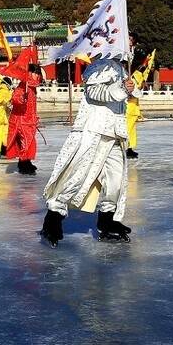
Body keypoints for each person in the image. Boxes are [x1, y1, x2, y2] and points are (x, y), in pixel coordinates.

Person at [40, 56, 135, 246]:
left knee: (116, 181)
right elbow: (95, 92)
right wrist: (122, 88)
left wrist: (130, 87)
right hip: (95, 131)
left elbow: (126, 95)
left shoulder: (121, 68)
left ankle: (107, 221)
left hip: (114, 133)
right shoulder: (98, 66)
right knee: (77, 176)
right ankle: (53, 219)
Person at [5, 64, 41, 175]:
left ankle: (25, 162)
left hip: (29, 120)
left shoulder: (32, 88)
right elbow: (15, 99)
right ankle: (24, 163)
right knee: (25, 142)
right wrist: (21, 98)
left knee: (29, 142)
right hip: (22, 120)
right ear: (29, 73)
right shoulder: (23, 86)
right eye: (34, 73)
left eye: (37, 73)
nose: (36, 75)